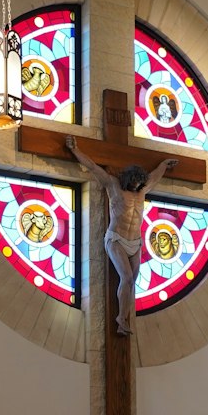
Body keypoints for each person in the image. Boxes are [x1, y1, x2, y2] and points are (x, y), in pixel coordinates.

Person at [65, 136, 178, 335]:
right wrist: (75, 150)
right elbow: (92, 166)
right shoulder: (113, 185)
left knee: (130, 282)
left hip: (135, 242)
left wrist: (163, 165)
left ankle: (122, 318)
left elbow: (154, 176)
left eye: (139, 183)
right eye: (133, 182)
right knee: (125, 277)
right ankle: (121, 318)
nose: (136, 186)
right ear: (127, 178)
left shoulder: (142, 190)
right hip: (116, 239)